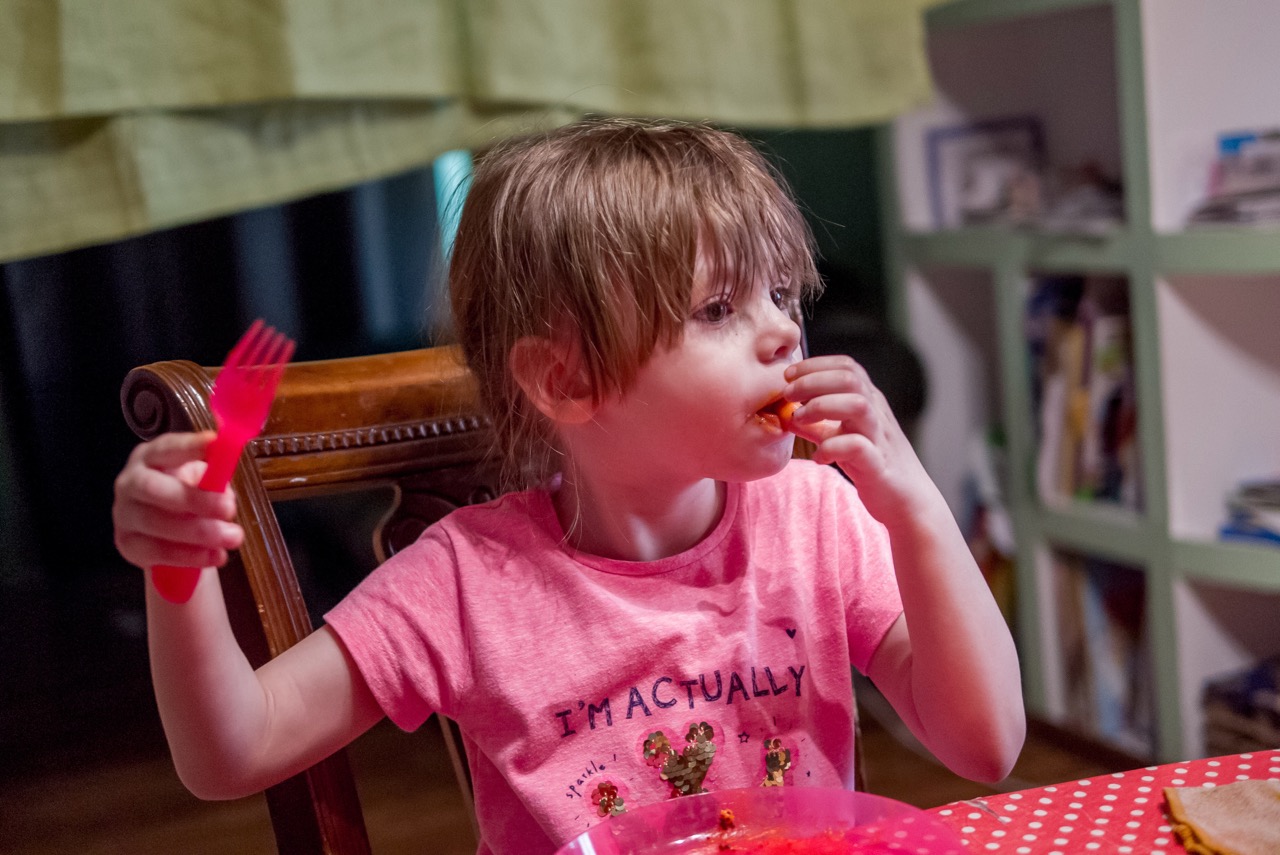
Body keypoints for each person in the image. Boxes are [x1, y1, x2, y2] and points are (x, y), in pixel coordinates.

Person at [112, 117, 1025, 854]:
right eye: (718, 307)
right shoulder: (468, 581)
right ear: (566, 380)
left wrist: (914, 505)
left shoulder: (817, 517)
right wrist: (175, 570)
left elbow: (985, 744)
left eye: (783, 295)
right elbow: (231, 750)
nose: (785, 333)